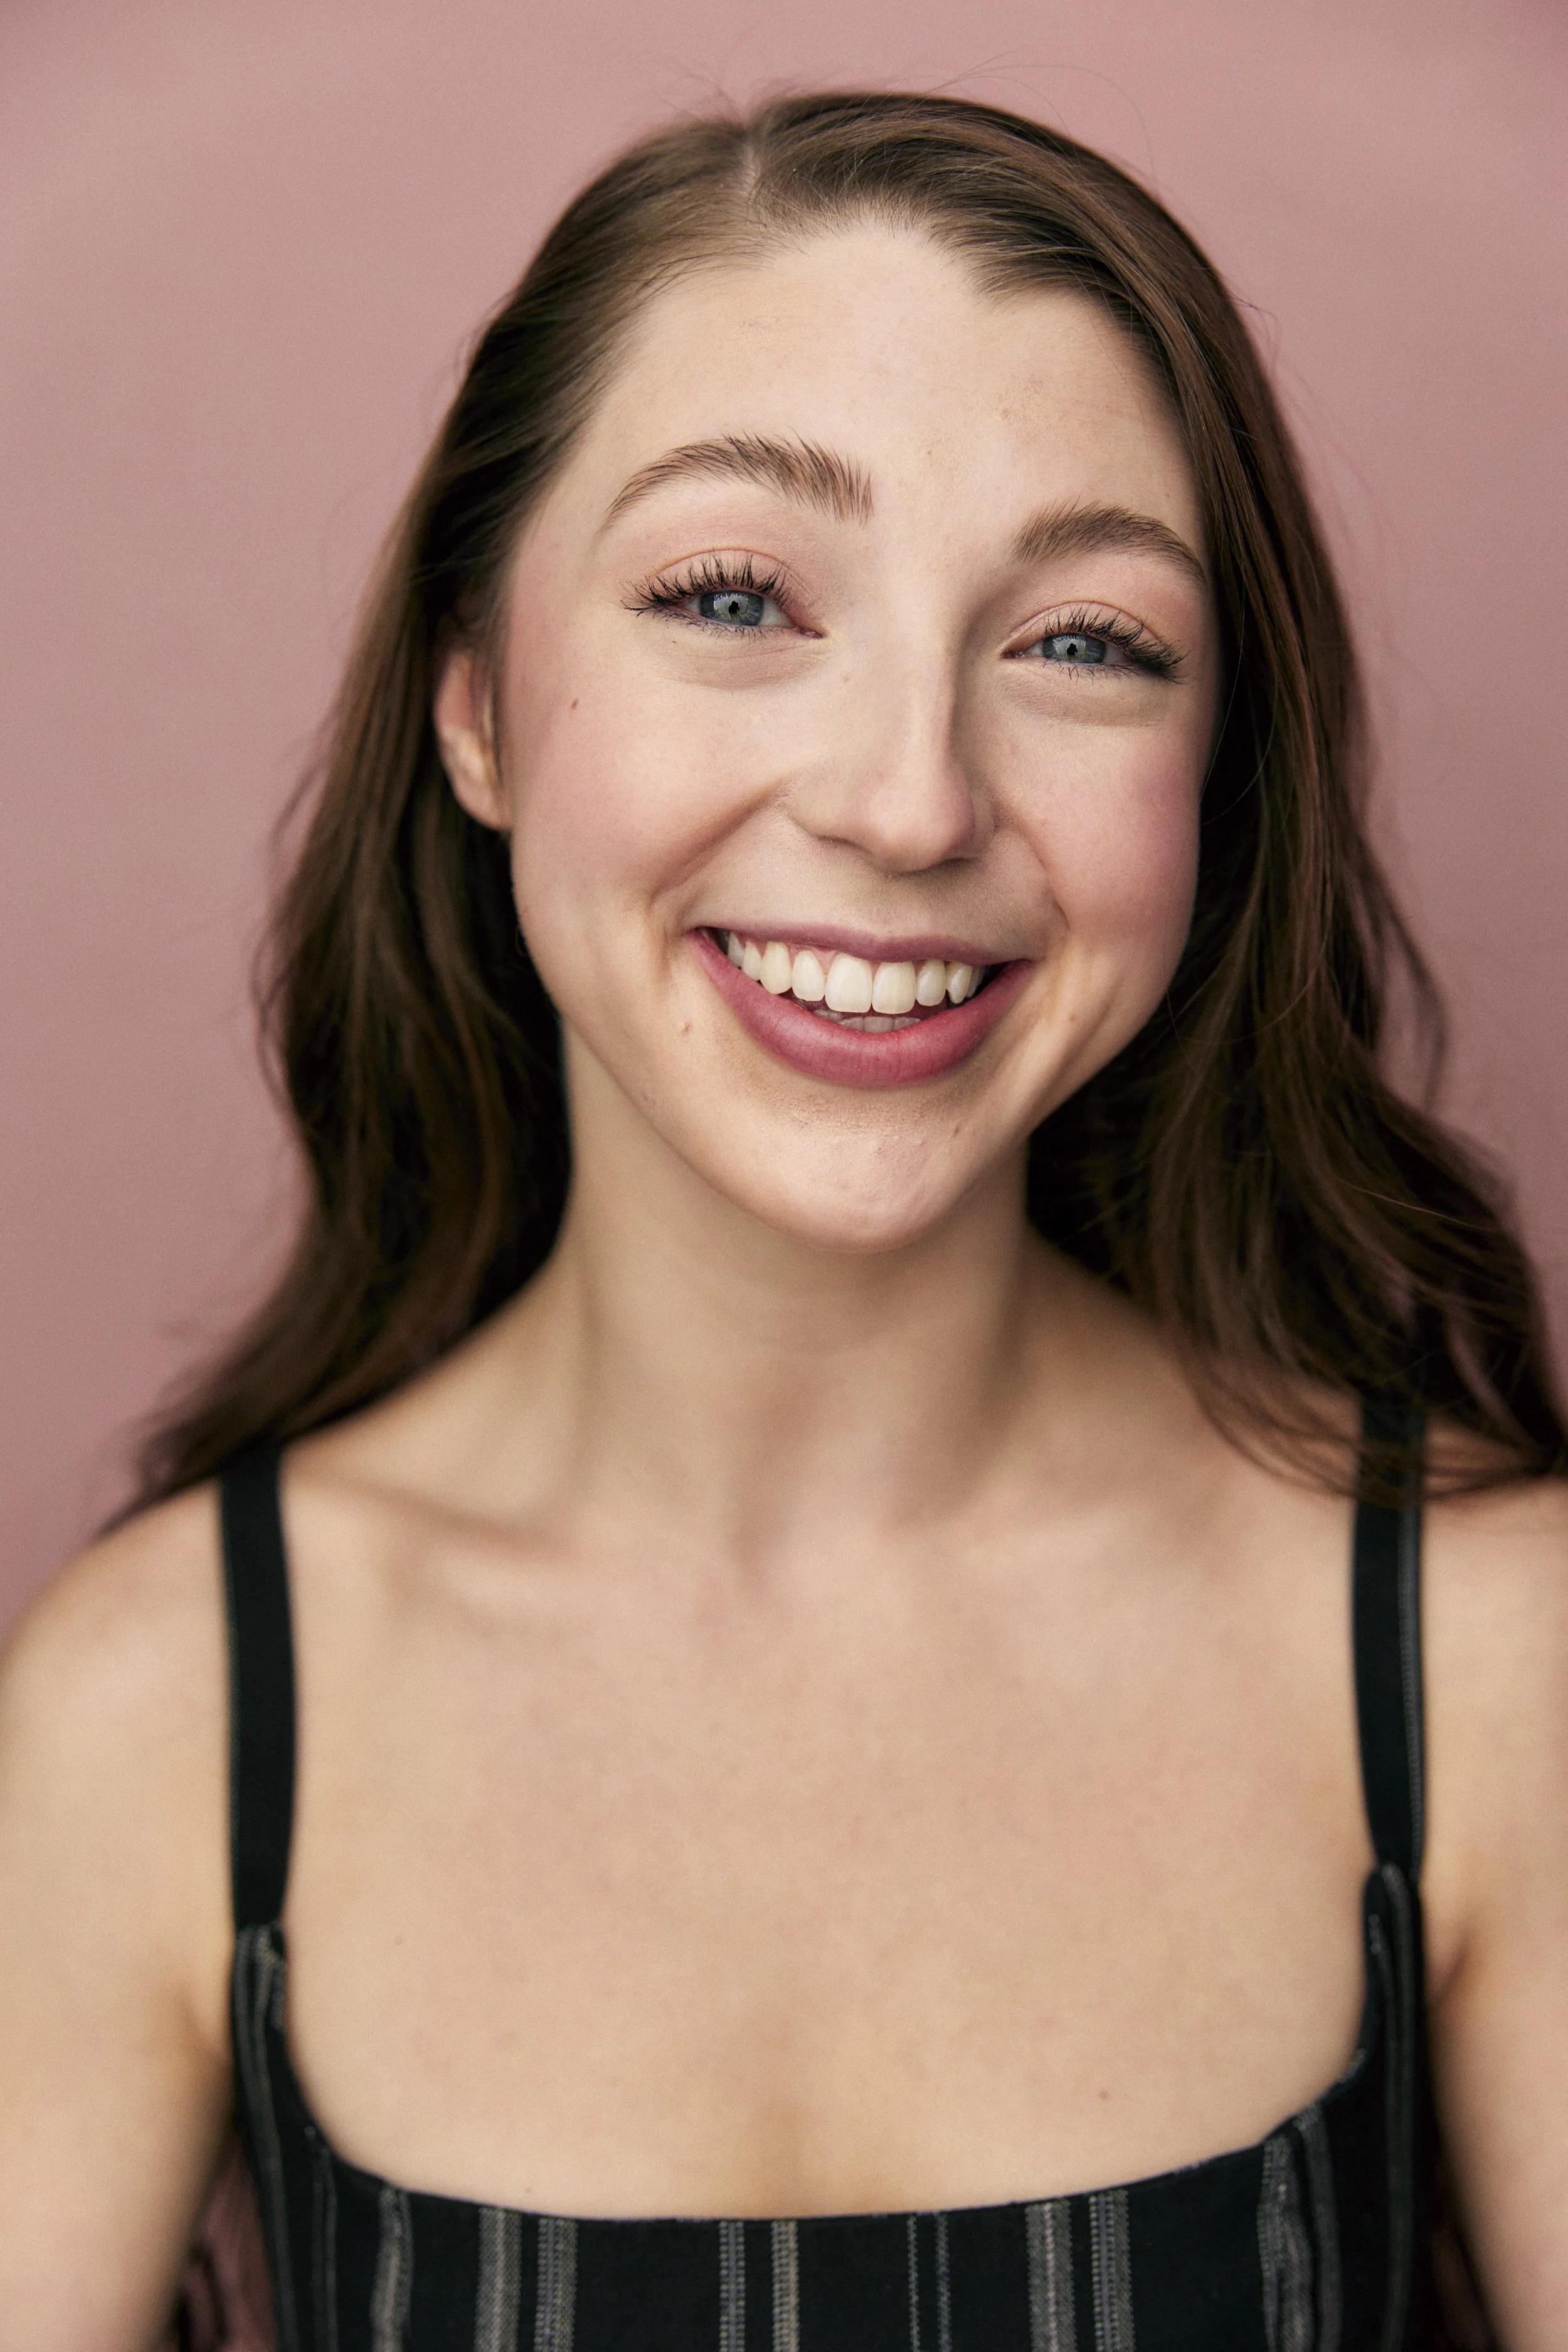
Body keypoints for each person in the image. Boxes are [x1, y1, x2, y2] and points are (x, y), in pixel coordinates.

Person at [0, 89, 1563, 2352]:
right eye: (734, 595)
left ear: (1215, 772)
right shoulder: (154, 1718)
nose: (910, 798)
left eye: (1086, 640)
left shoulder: (1485, 1662)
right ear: (474, 707)